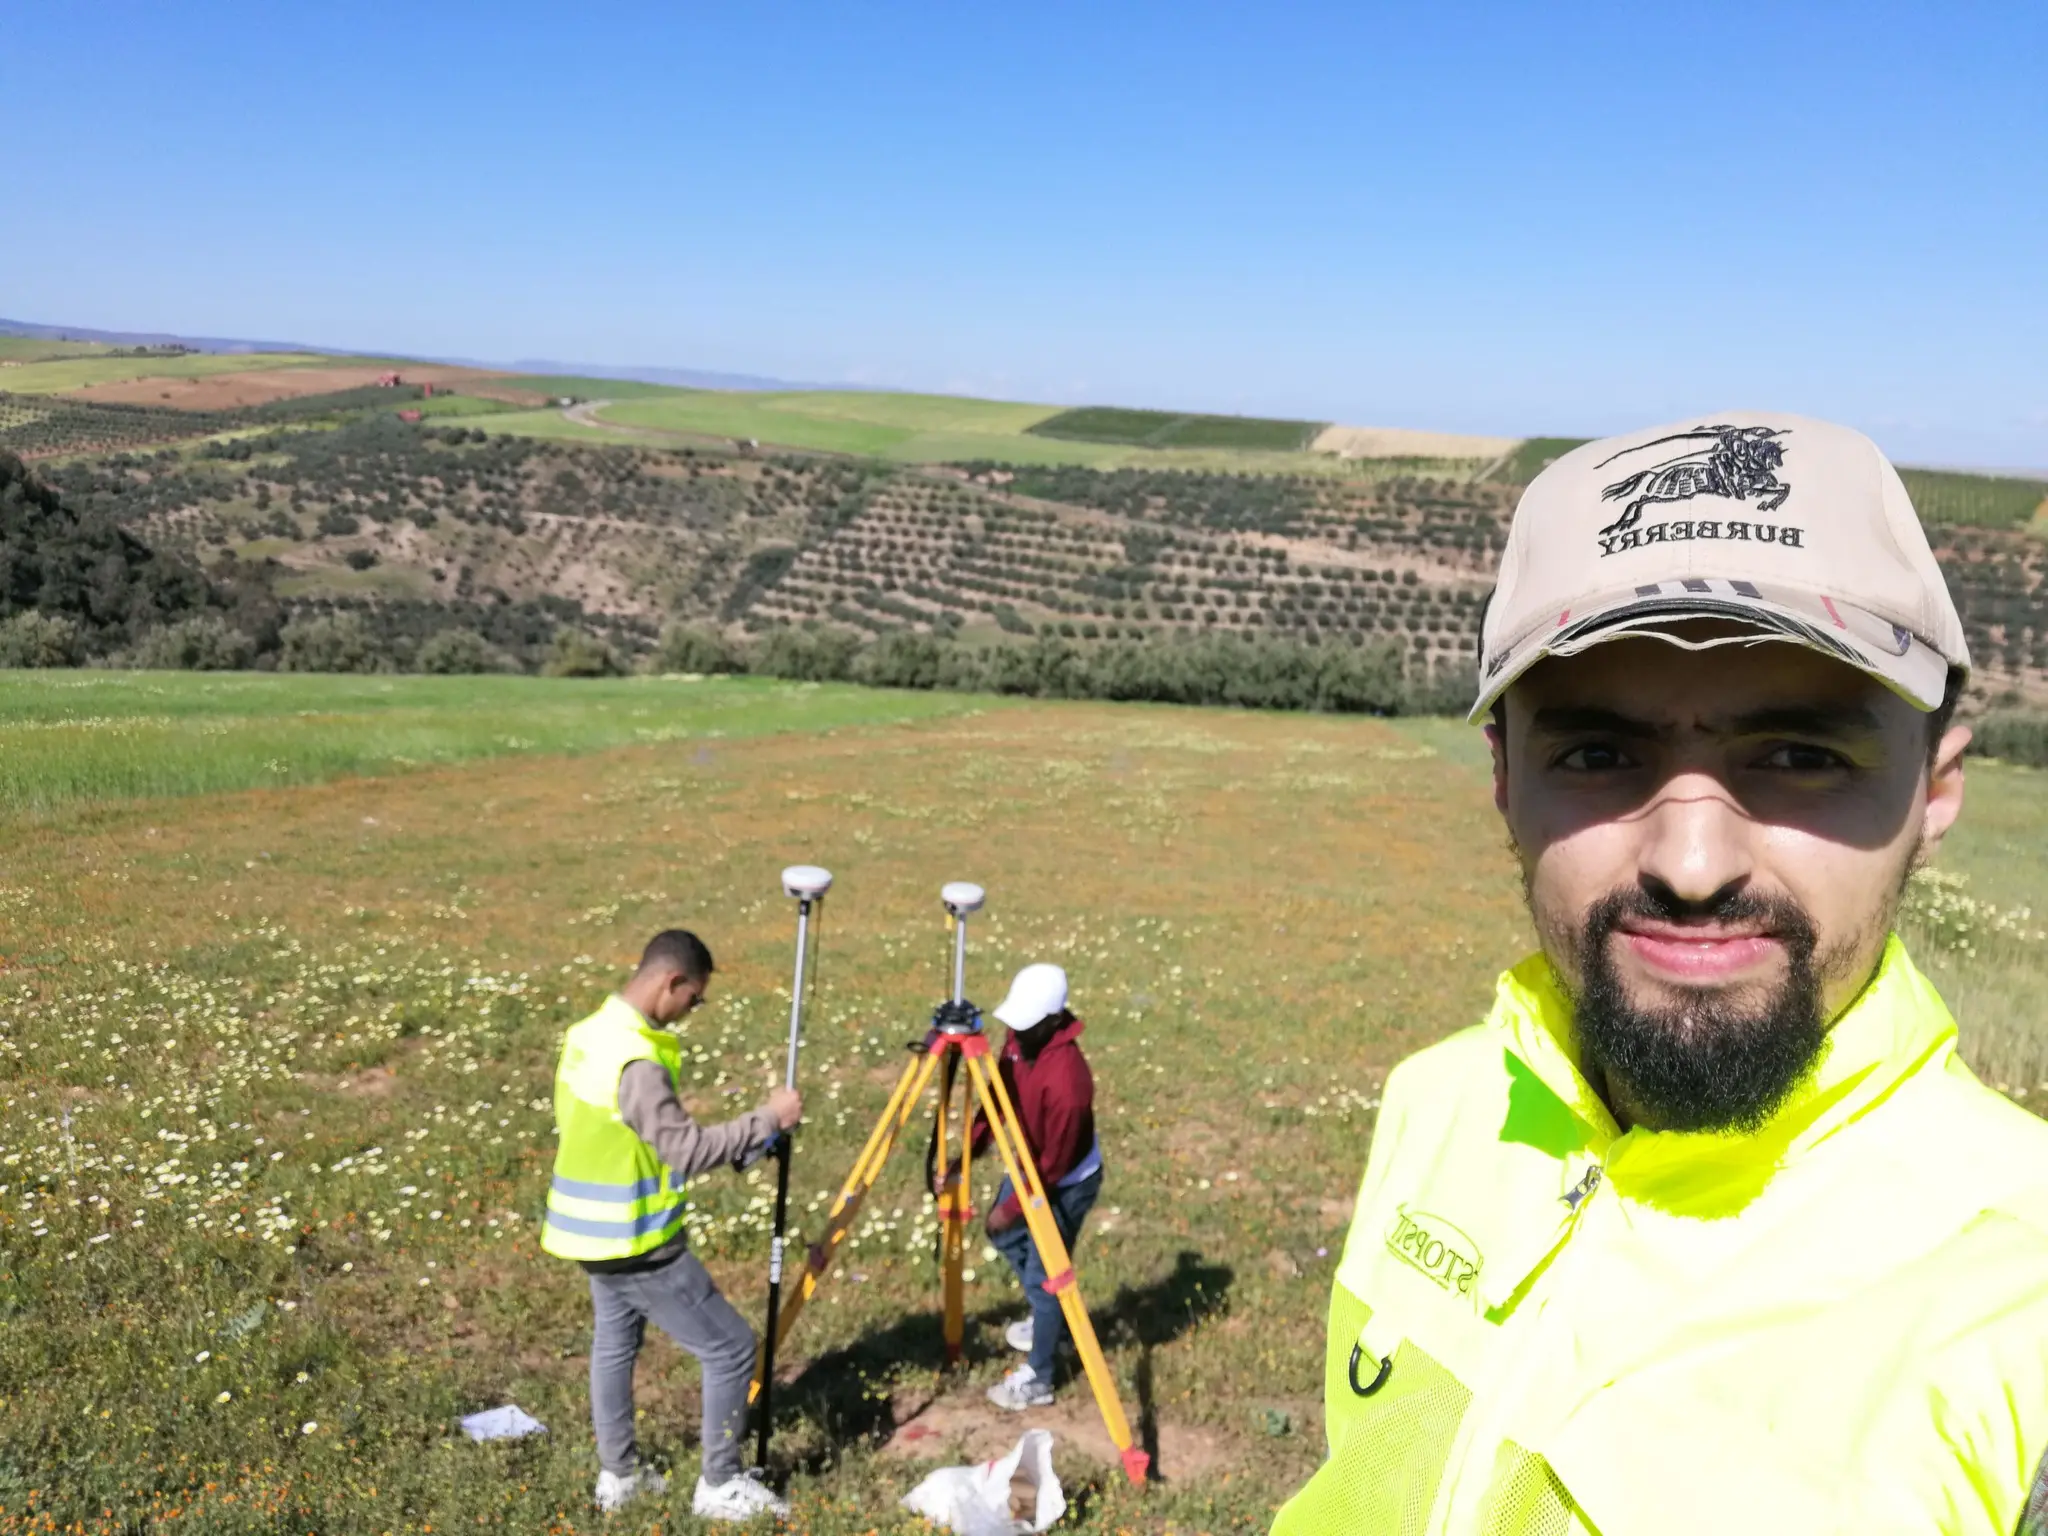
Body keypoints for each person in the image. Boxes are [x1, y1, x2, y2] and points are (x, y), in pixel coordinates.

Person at [1277, 415, 2048, 1534]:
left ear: (1933, 794)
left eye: (1798, 758)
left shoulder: (2018, 1286)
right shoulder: (1436, 1102)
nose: (1690, 865)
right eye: (1596, 756)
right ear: (1502, 779)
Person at [541, 929, 802, 1520]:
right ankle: (720, 1484)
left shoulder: (590, 1033)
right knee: (732, 1348)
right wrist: (767, 1118)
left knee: (615, 1342)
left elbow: (632, 1137)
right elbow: (684, 1149)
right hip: (638, 1242)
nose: (693, 1010)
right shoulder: (638, 1060)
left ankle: (620, 1475)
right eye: (695, 998)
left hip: (589, 1232)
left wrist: (744, 1146)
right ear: (672, 982)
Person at [966, 962, 1105, 1411]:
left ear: (1053, 1020)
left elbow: (1056, 1166)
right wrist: (970, 1149)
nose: (1013, 1032)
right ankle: (1049, 1318)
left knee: (1045, 1277)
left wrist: (1014, 1206)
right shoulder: (1021, 1037)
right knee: (1001, 1232)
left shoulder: (1069, 1085)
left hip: (1062, 1180)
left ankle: (1041, 1375)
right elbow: (998, 1094)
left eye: (1024, 1024)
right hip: (1030, 1160)